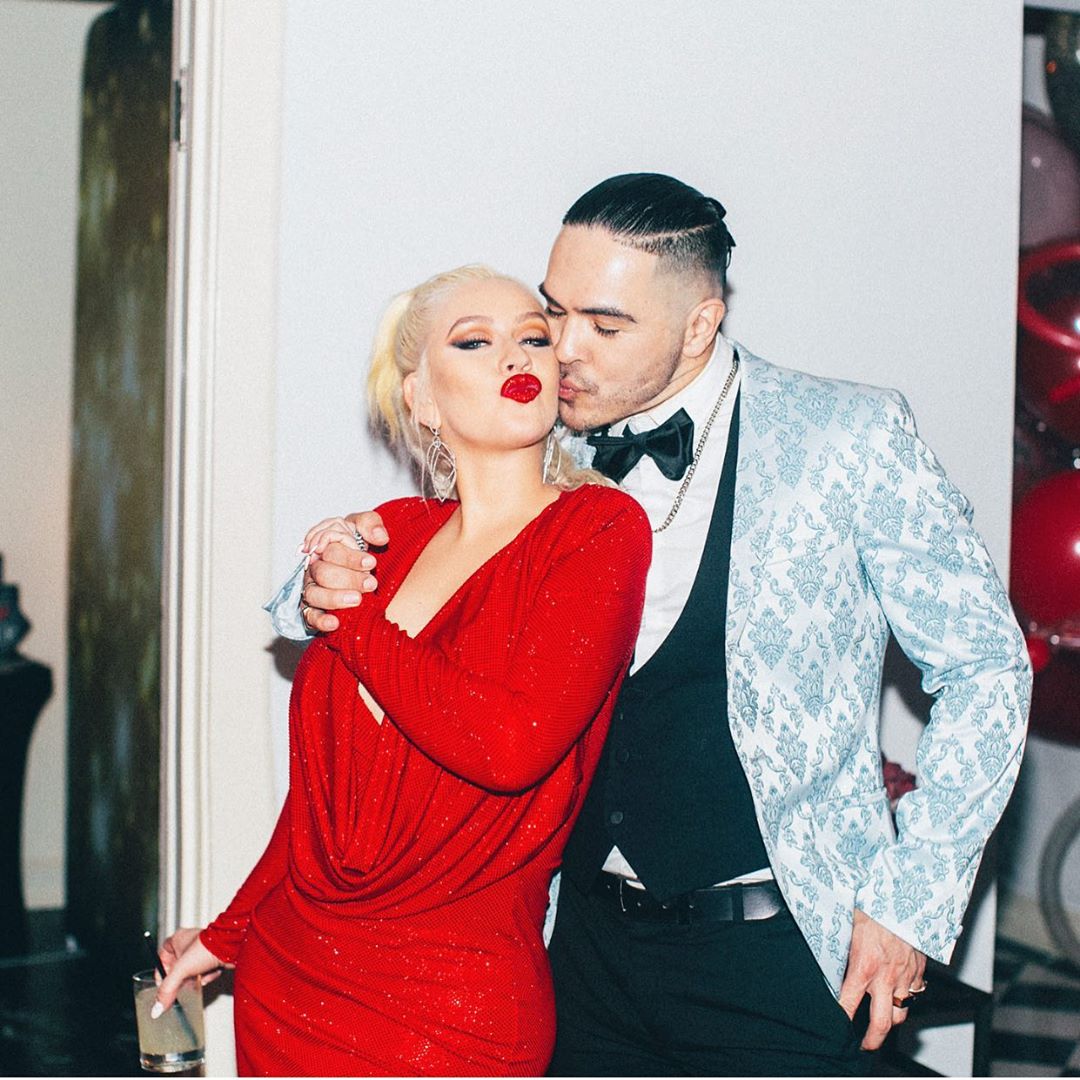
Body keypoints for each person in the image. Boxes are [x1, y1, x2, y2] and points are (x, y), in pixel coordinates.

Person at [278, 174, 1032, 1076]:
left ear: (700, 324)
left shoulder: (845, 436)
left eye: (605, 325)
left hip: (778, 957)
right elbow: (405, 576)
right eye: (555, 312)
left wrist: (911, 903)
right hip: (579, 958)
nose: (562, 350)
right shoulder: (539, 433)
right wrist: (326, 569)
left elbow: (988, 667)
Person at [152, 266, 652, 1076]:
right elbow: (321, 805)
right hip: (291, 987)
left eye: (533, 336)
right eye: (474, 342)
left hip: (456, 1010)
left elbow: (511, 746)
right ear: (420, 399)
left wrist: (354, 622)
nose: (515, 355)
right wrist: (229, 933)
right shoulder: (390, 536)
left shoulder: (598, 530)